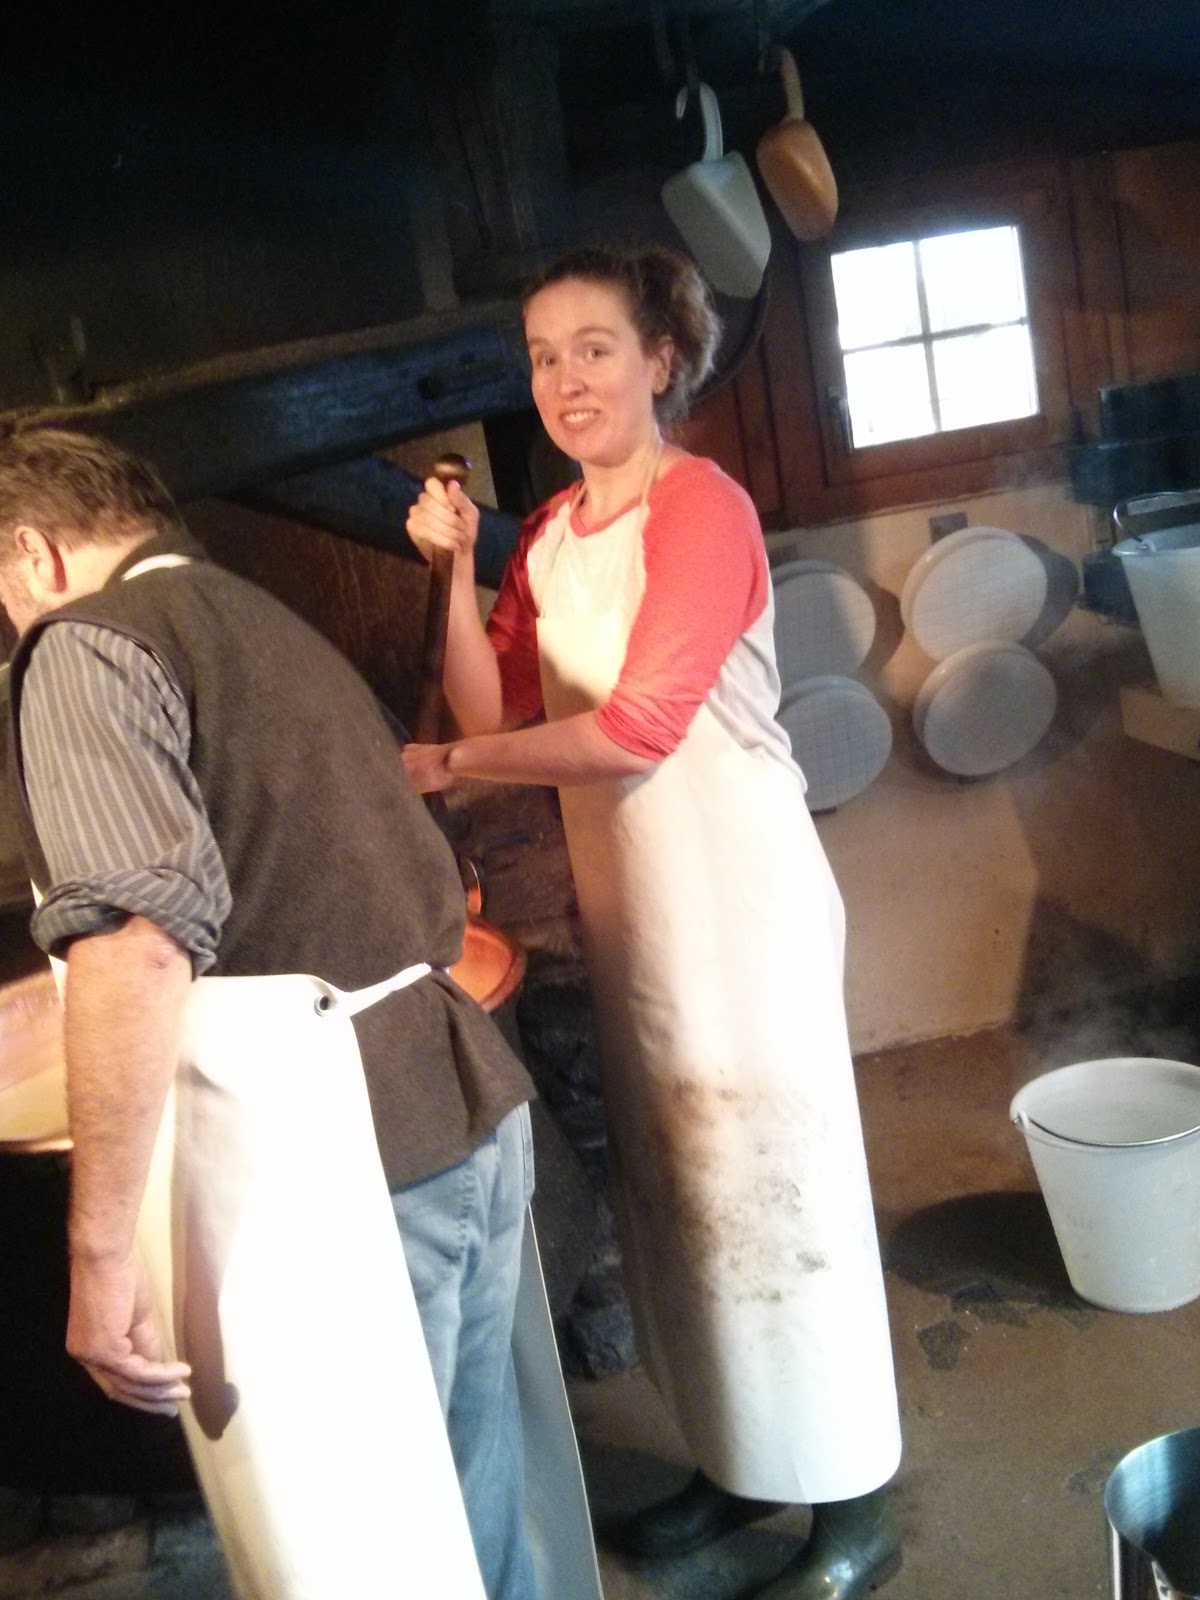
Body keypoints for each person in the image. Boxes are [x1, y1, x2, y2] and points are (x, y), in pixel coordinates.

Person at [402, 244, 903, 1600]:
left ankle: (854, 1498)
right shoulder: (551, 538)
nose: (565, 381)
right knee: (683, 1197)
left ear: (660, 360)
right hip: (635, 908)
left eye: (594, 349)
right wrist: (452, 573)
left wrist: (450, 770)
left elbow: (635, 730)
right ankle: (744, 1457)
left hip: (739, 900)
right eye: (542, 357)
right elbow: (493, 704)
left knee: (783, 1187)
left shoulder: (702, 510)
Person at [0, 427, 539, 1600]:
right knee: (466, 1505)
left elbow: (137, 944)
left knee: (362, 1554)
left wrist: (97, 1256)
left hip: (334, 1160)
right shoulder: (257, 615)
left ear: (35, 553)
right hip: (459, 1103)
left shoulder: (82, 646)